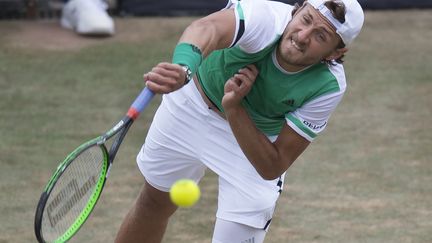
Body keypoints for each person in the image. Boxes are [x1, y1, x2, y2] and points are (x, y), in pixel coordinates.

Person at [115, 0, 364, 242]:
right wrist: (184, 68)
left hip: (253, 140)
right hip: (190, 105)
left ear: (336, 52)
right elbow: (207, 28)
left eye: (320, 36)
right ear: (296, 11)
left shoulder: (328, 87)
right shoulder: (264, 17)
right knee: (154, 203)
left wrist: (234, 108)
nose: (302, 36)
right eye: (305, 20)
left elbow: (272, 166)